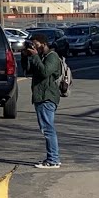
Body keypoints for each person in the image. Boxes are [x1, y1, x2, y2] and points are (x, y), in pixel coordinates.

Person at [22, 35, 62, 168]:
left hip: (47, 97)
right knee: (46, 128)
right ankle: (52, 158)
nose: (34, 47)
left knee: (48, 129)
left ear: (44, 44)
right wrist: (26, 56)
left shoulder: (52, 56)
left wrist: (34, 57)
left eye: (36, 44)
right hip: (40, 96)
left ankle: (53, 160)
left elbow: (45, 72)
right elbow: (28, 71)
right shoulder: (40, 57)